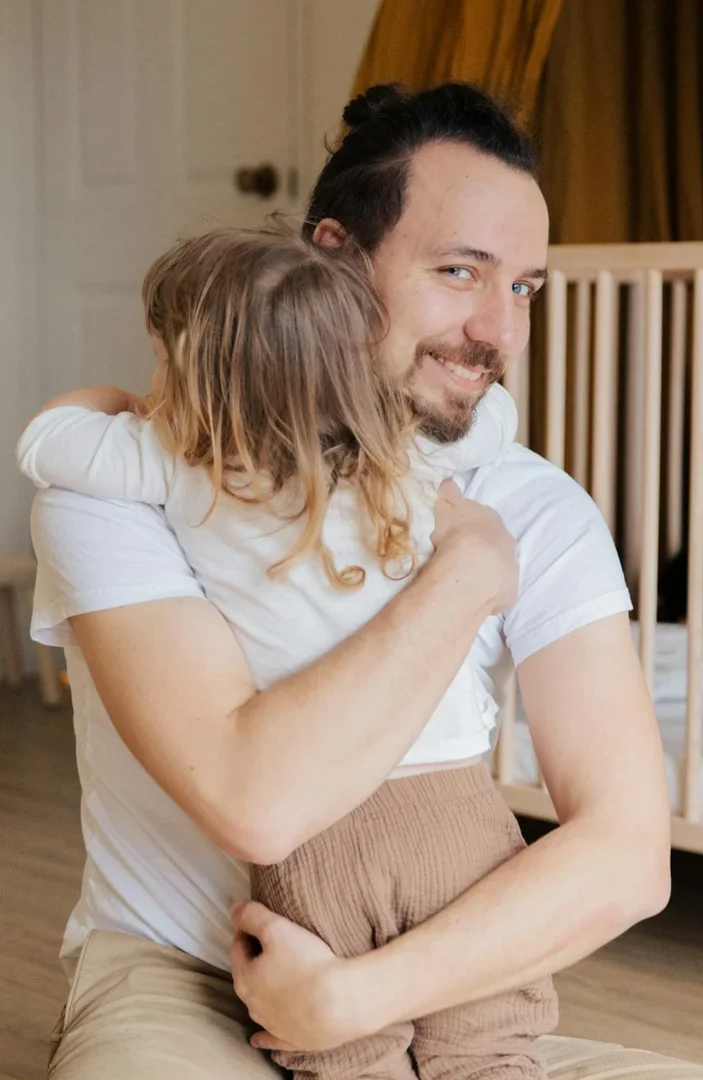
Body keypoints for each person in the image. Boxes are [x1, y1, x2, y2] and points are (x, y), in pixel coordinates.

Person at [26, 84, 670, 1080]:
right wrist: (462, 578)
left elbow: (631, 854)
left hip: (437, 993)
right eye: (461, 272)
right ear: (333, 255)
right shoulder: (141, 483)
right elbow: (255, 804)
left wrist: (354, 999)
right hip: (185, 978)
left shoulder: (524, 501)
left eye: (526, 289)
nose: (499, 333)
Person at [18, 217, 550, 1079]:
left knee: (349, 1054)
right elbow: (494, 418)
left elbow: (45, 444)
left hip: (325, 831)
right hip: (462, 810)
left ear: (189, 369)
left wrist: (121, 406)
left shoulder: (181, 464)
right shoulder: (402, 455)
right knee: (489, 1043)